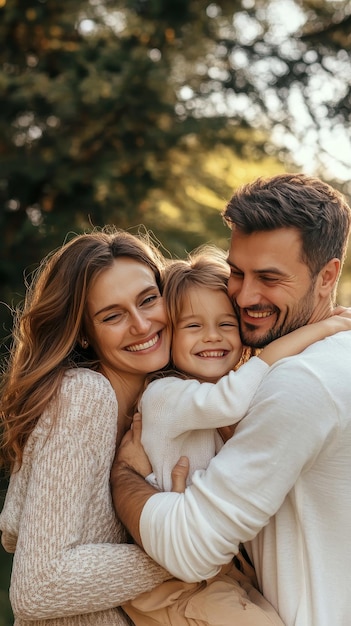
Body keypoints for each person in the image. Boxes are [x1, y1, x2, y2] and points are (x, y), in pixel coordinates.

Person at [111, 173, 351, 626]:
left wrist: (124, 475)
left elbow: (191, 550)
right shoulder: (333, 356)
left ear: (328, 276)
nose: (243, 295)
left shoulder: (305, 379)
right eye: (237, 272)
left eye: (269, 278)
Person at [0, 227, 173, 626]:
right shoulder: (83, 396)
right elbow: (36, 587)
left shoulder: (159, 407)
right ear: (82, 334)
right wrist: (186, 546)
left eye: (148, 300)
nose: (141, 324)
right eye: (112, 315)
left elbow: (17, 530)